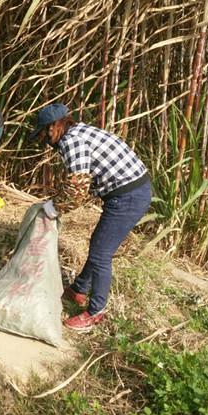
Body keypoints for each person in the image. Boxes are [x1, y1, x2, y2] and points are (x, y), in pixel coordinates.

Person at [30, 103, 151, 332]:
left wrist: (53, 208)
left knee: (100, 252)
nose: (46, 139)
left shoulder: (71, 140)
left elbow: (76, 190)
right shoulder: (80, 131)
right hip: (129, 191)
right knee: (99, 243)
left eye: (46, 132)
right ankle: (78, 290)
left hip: (129, 196)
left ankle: (96, 312)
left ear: (57, 125)